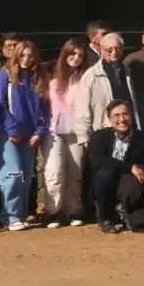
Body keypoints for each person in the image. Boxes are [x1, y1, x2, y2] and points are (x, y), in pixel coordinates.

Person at [0, 39, 47, 232]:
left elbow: (44, 109)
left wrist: (39, 132)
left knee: (27, 176)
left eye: (30, 55)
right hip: (7, 134)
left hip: (30, 135)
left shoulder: (38, 78)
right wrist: (12, 130)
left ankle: (19, 214)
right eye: (22, 54)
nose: (26, 59)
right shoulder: (4, 76)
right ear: (15, 55)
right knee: (13, 174)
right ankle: (10, 216)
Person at [87, 99, 144, 234]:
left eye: (125, 114)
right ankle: (105, 219)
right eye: (116, 116)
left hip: (129, 183)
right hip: (105, 183)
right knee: (105, 174)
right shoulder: (99, 136)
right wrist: (130, 167)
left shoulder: (142, 138)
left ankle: (127, 215)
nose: (122, 119)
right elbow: (99, 160)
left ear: (131, 116)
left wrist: (143, 171)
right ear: (110, 119)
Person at [42, 40, 86, 228]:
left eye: (80, 55)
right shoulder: (50, 74)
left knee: (75, 172)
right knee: (55, 171)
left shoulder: (84, 77)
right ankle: (53, 211)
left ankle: (73, 209)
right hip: (53, 132)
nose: (76, 58)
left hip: (76, 131)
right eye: (73, 53)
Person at [75, 32, 139, 149]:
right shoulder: (92, 75)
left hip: (127, 129)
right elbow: (82, 107)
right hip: (103, 131)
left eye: (118, 48)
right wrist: (83, 136)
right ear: (101, 50)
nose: (114, 52)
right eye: (109, 50)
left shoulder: (127, 72)